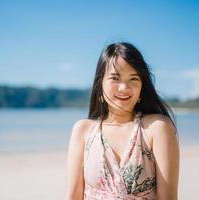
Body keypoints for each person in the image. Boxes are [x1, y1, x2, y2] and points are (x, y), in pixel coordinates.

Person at [65, 42, 180, 200]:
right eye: (115, 78)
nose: (124, 87)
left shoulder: (157, 128)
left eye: (133, 78)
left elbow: (168, 198)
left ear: (141, 88)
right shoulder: (83, 131)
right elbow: (73, 196)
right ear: (100, 84)